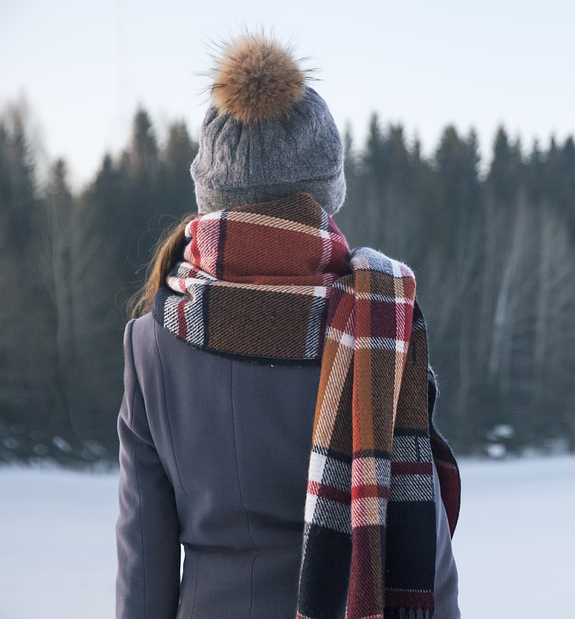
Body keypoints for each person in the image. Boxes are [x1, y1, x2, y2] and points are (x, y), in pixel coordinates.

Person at [115, 33, 461, 619]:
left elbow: (142, 565)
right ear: (326, 192)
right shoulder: (374, 327)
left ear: (210, 196)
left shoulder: (151, 342)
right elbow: (421, 549)